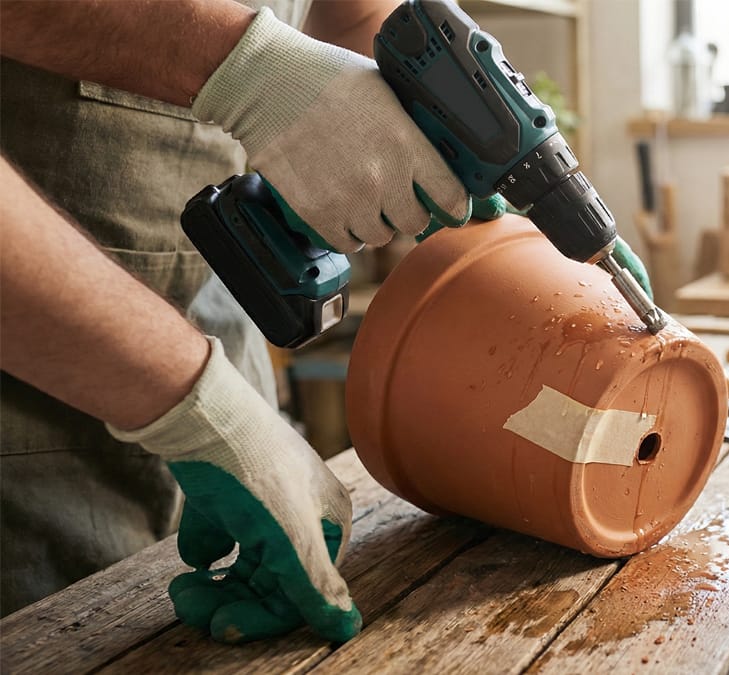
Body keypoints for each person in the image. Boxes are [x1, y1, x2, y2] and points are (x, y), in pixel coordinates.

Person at [0, 0, 476, 644]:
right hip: (30, 424)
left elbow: (356, 13)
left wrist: (460, 153)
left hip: (224, 336)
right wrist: (247, 65)